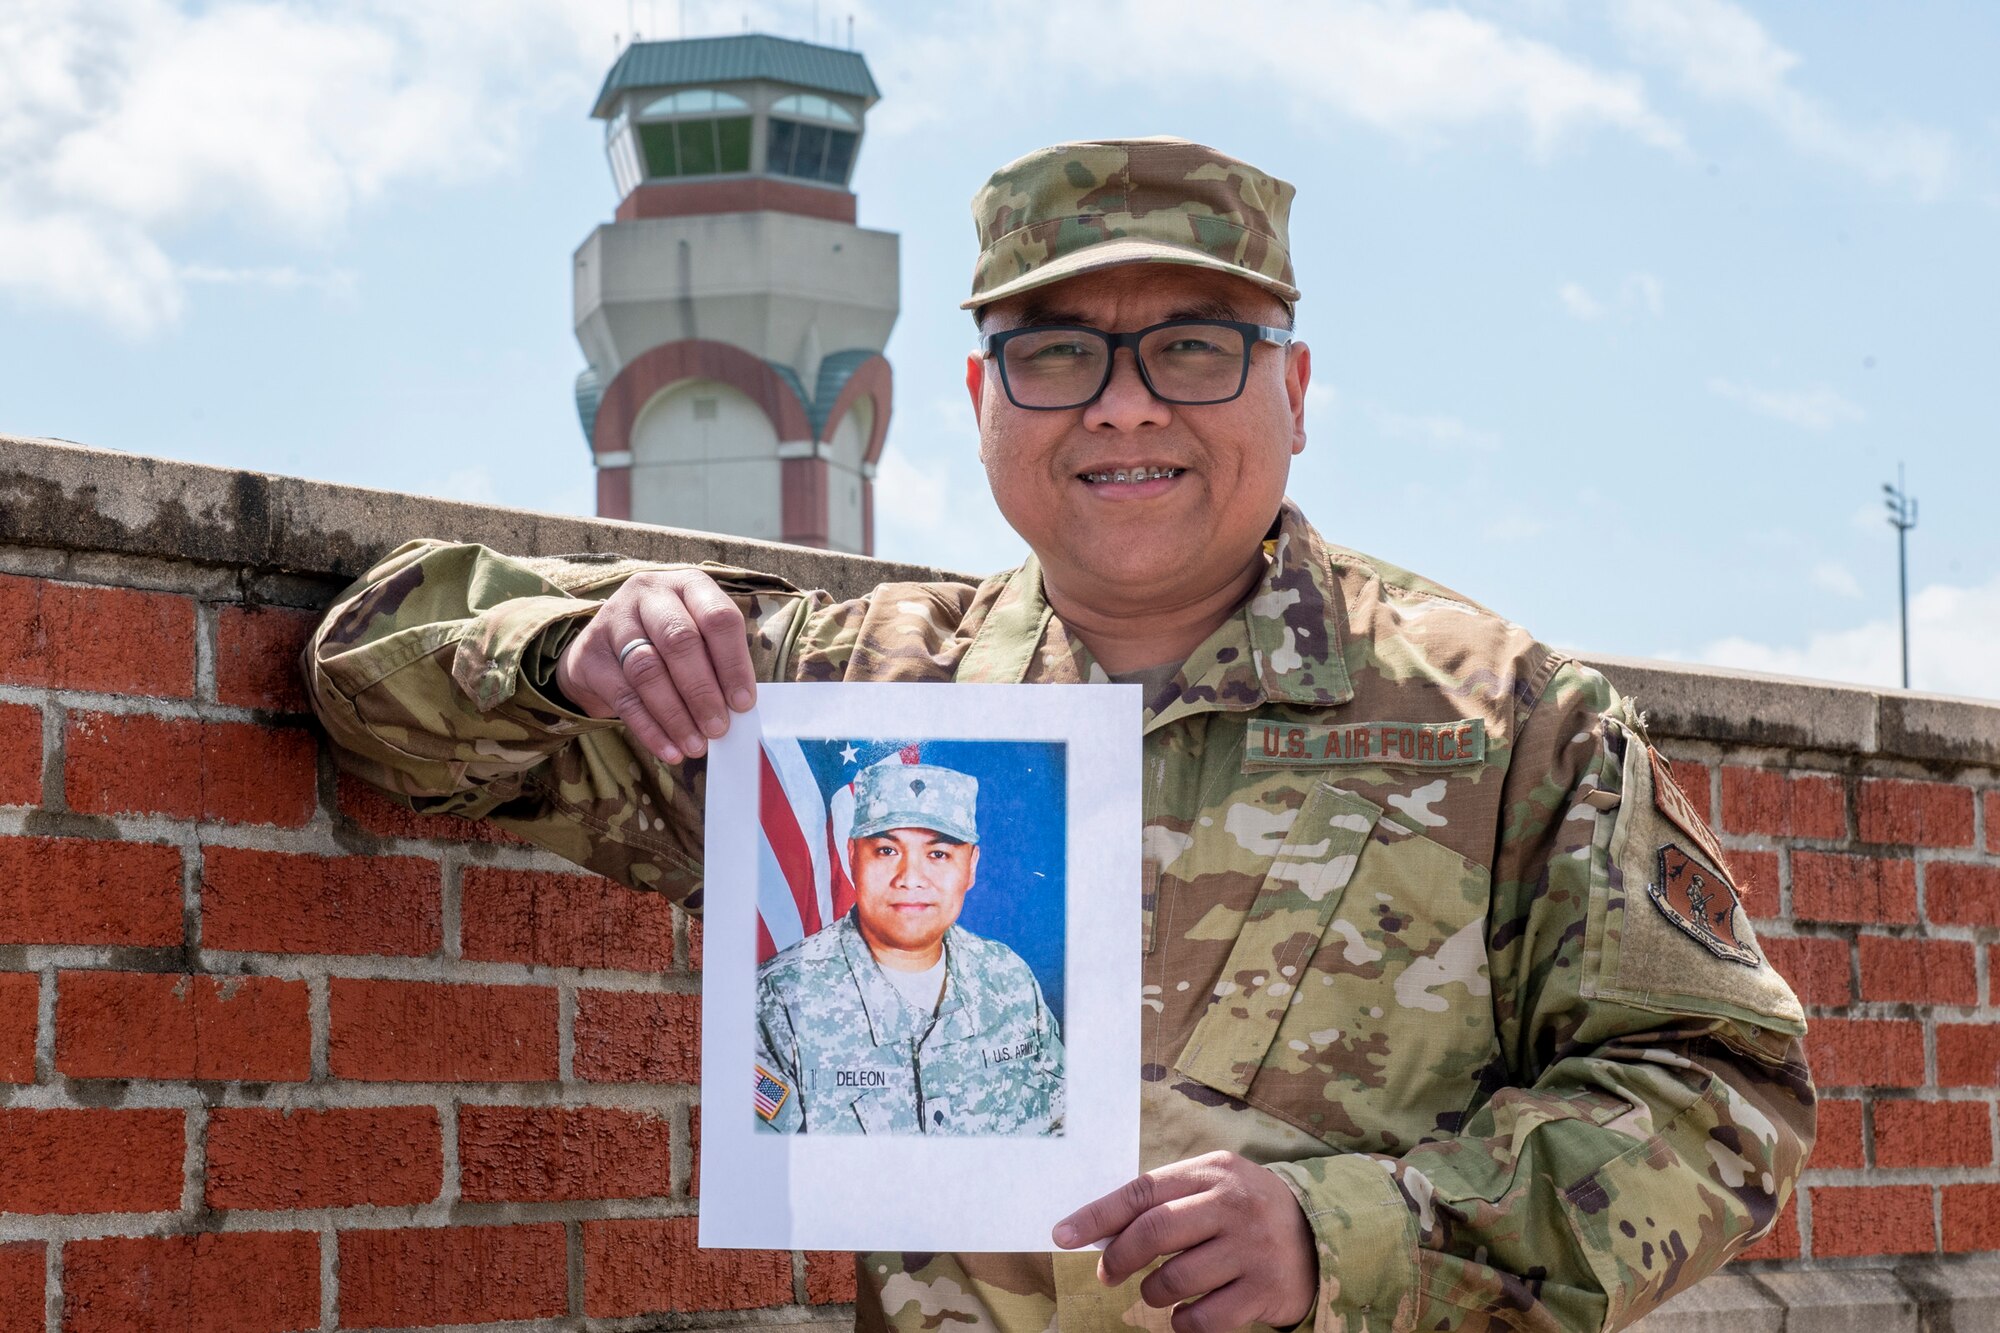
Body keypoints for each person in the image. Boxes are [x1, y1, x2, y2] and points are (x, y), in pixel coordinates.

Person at [308, 137, 1814, 1333]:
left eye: (1195, 352)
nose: (1121, 409)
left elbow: (1722, 1096)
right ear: (979, 399)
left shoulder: (1503, 721)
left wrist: (1349, 1235)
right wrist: (570, 645)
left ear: (1294, 390)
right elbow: (376, 685)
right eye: (1057, 356)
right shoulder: (845, 697)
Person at [754, 757, 1064, 1135]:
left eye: (938, 854)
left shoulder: (1010, 979)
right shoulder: (779, 999)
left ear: (971, 866)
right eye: (887, 850)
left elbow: (1061, 1122)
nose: (911, 878)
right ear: (853, 858)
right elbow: (764, 1174)